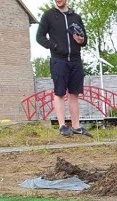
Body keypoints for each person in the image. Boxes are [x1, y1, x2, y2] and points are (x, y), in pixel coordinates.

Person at [36, 0, 91, 137]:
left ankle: (76, 126)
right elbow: (39, 37)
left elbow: (85, 39)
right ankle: (62, 126)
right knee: (59, 93)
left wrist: (81, 41)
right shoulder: (48, 15)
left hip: (75, 60)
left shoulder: (76, 17)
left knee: (74, 94)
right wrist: (54, 46)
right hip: (58, 60)